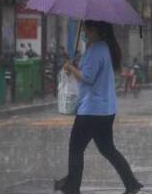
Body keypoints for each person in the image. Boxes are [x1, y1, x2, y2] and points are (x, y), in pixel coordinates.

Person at [55, 20, 143, 194]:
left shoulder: (95, 50)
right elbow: (90, 73)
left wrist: (71, 68)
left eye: (86, 29)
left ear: (94, 29)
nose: (84, 32)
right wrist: (74, 66)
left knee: (76, 149)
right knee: (107, 149)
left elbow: (88, 77)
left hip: (91, 111)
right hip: (105, 110)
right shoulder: (103, 48)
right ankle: (131, 183)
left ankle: (72, 187)